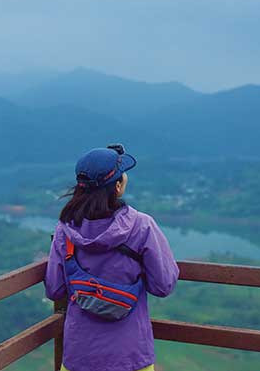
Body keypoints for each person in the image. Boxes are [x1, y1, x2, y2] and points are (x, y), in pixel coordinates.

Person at [44, 145, 180, 371]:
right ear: (117, 186)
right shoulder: (142, 226)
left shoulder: (65, 229)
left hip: (80, 356)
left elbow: (55, 290)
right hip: (131, 356)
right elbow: (163, 285)